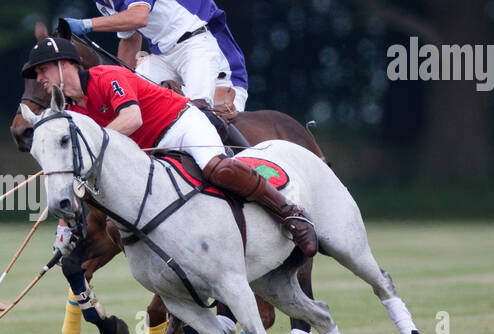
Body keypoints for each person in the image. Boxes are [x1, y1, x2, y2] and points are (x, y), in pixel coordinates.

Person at [21, 37, 316, 255]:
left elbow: (132, 118)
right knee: (118, 223)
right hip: (151, 154)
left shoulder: (108, 77)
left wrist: (93, 143)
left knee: (218, 168)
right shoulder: (72, 112)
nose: (39, 79)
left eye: (42, 70)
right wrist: (65, 224)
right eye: (36, 74)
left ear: (65, 65)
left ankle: (290, 214)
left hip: (180, 124)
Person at [55, 0, 249, 122]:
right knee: (130, 101)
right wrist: (117, 82)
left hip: (195, 46)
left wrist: (87, 24)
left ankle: (238, 153)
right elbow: (129, 40)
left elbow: (139, 18)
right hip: (163, 56)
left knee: (197, 114)